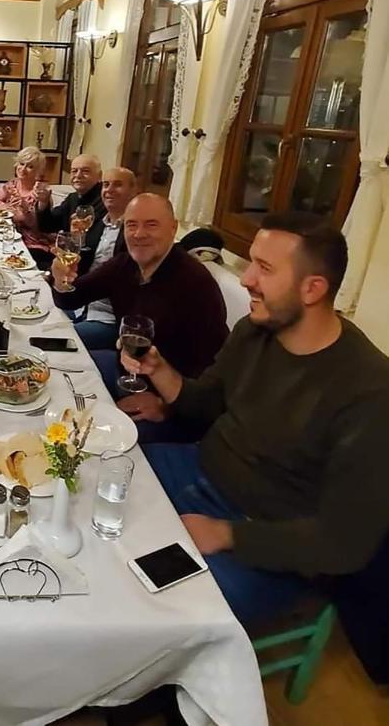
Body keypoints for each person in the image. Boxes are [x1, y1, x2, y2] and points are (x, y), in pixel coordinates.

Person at [122, 213, 389, 626]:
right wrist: (159, 370)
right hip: (199, 470)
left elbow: (345, 543)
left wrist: (225, 534)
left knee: (157, 613)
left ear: (312, 288)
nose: (246, 280)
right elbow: (203, 405)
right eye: (251, 263)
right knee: (106, 476)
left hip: (266, 537)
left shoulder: (369, 389)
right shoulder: (253, 330)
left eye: (264, 268)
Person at [51, 193, 227, 438]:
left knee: (91, 439)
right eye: (132, 225)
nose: (139, 234)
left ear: (173, 228)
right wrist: (61, 278)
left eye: (151, 224)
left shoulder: (196, 285)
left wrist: (165, 407)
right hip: (126, 374)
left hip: (170, 406)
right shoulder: (125, 265)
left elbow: (216, 375)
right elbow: (71, 297)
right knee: (58, 374)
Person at [72, 167, 135, 350]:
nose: (109, 190)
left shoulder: (132, 232)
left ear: (133, 191)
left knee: (57, 339)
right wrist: (76, 241)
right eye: (106, 185)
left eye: (118, 185)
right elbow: (83, 265)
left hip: (109, 318)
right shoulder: (100, 224)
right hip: (82, 306)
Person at [0, 146, 56, 270]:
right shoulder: (13, 185)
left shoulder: (40, 193)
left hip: (34, 244)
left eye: (30, 166)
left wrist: (23, 209)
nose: (23, 169)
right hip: (9, 239)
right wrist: (7, 207)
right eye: (21, 163)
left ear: (38, 171)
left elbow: (38, 228)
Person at [35, 154, 106, 241]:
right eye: (74, 171)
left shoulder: (106, 200)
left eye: (85, 171)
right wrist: (43, 202)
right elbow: (48, 226)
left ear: (99, 176)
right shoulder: (73, 197)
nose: (78, 175)